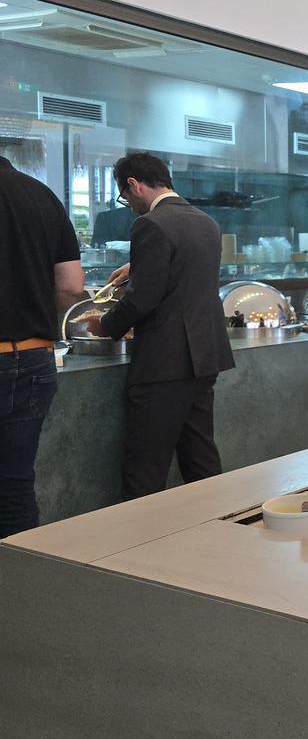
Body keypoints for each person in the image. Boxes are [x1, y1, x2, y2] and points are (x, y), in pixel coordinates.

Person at [86, 153, 234, 500]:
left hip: (164, 362)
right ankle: (220, 523)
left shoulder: (150, 224)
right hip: (204, 356)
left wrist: (106, 324)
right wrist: (137, 268)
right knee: (200, 459)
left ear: (133, 185)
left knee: (145, 469)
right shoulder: (206, 222)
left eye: (125, 197)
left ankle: (140, 534)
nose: (129, 205)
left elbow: (142, 300)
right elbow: (183, 275)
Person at [0, 155, 84, 537]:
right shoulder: (42, 196)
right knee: (16, 484)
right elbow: (71, 286)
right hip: (34, 357)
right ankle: (21, 573)